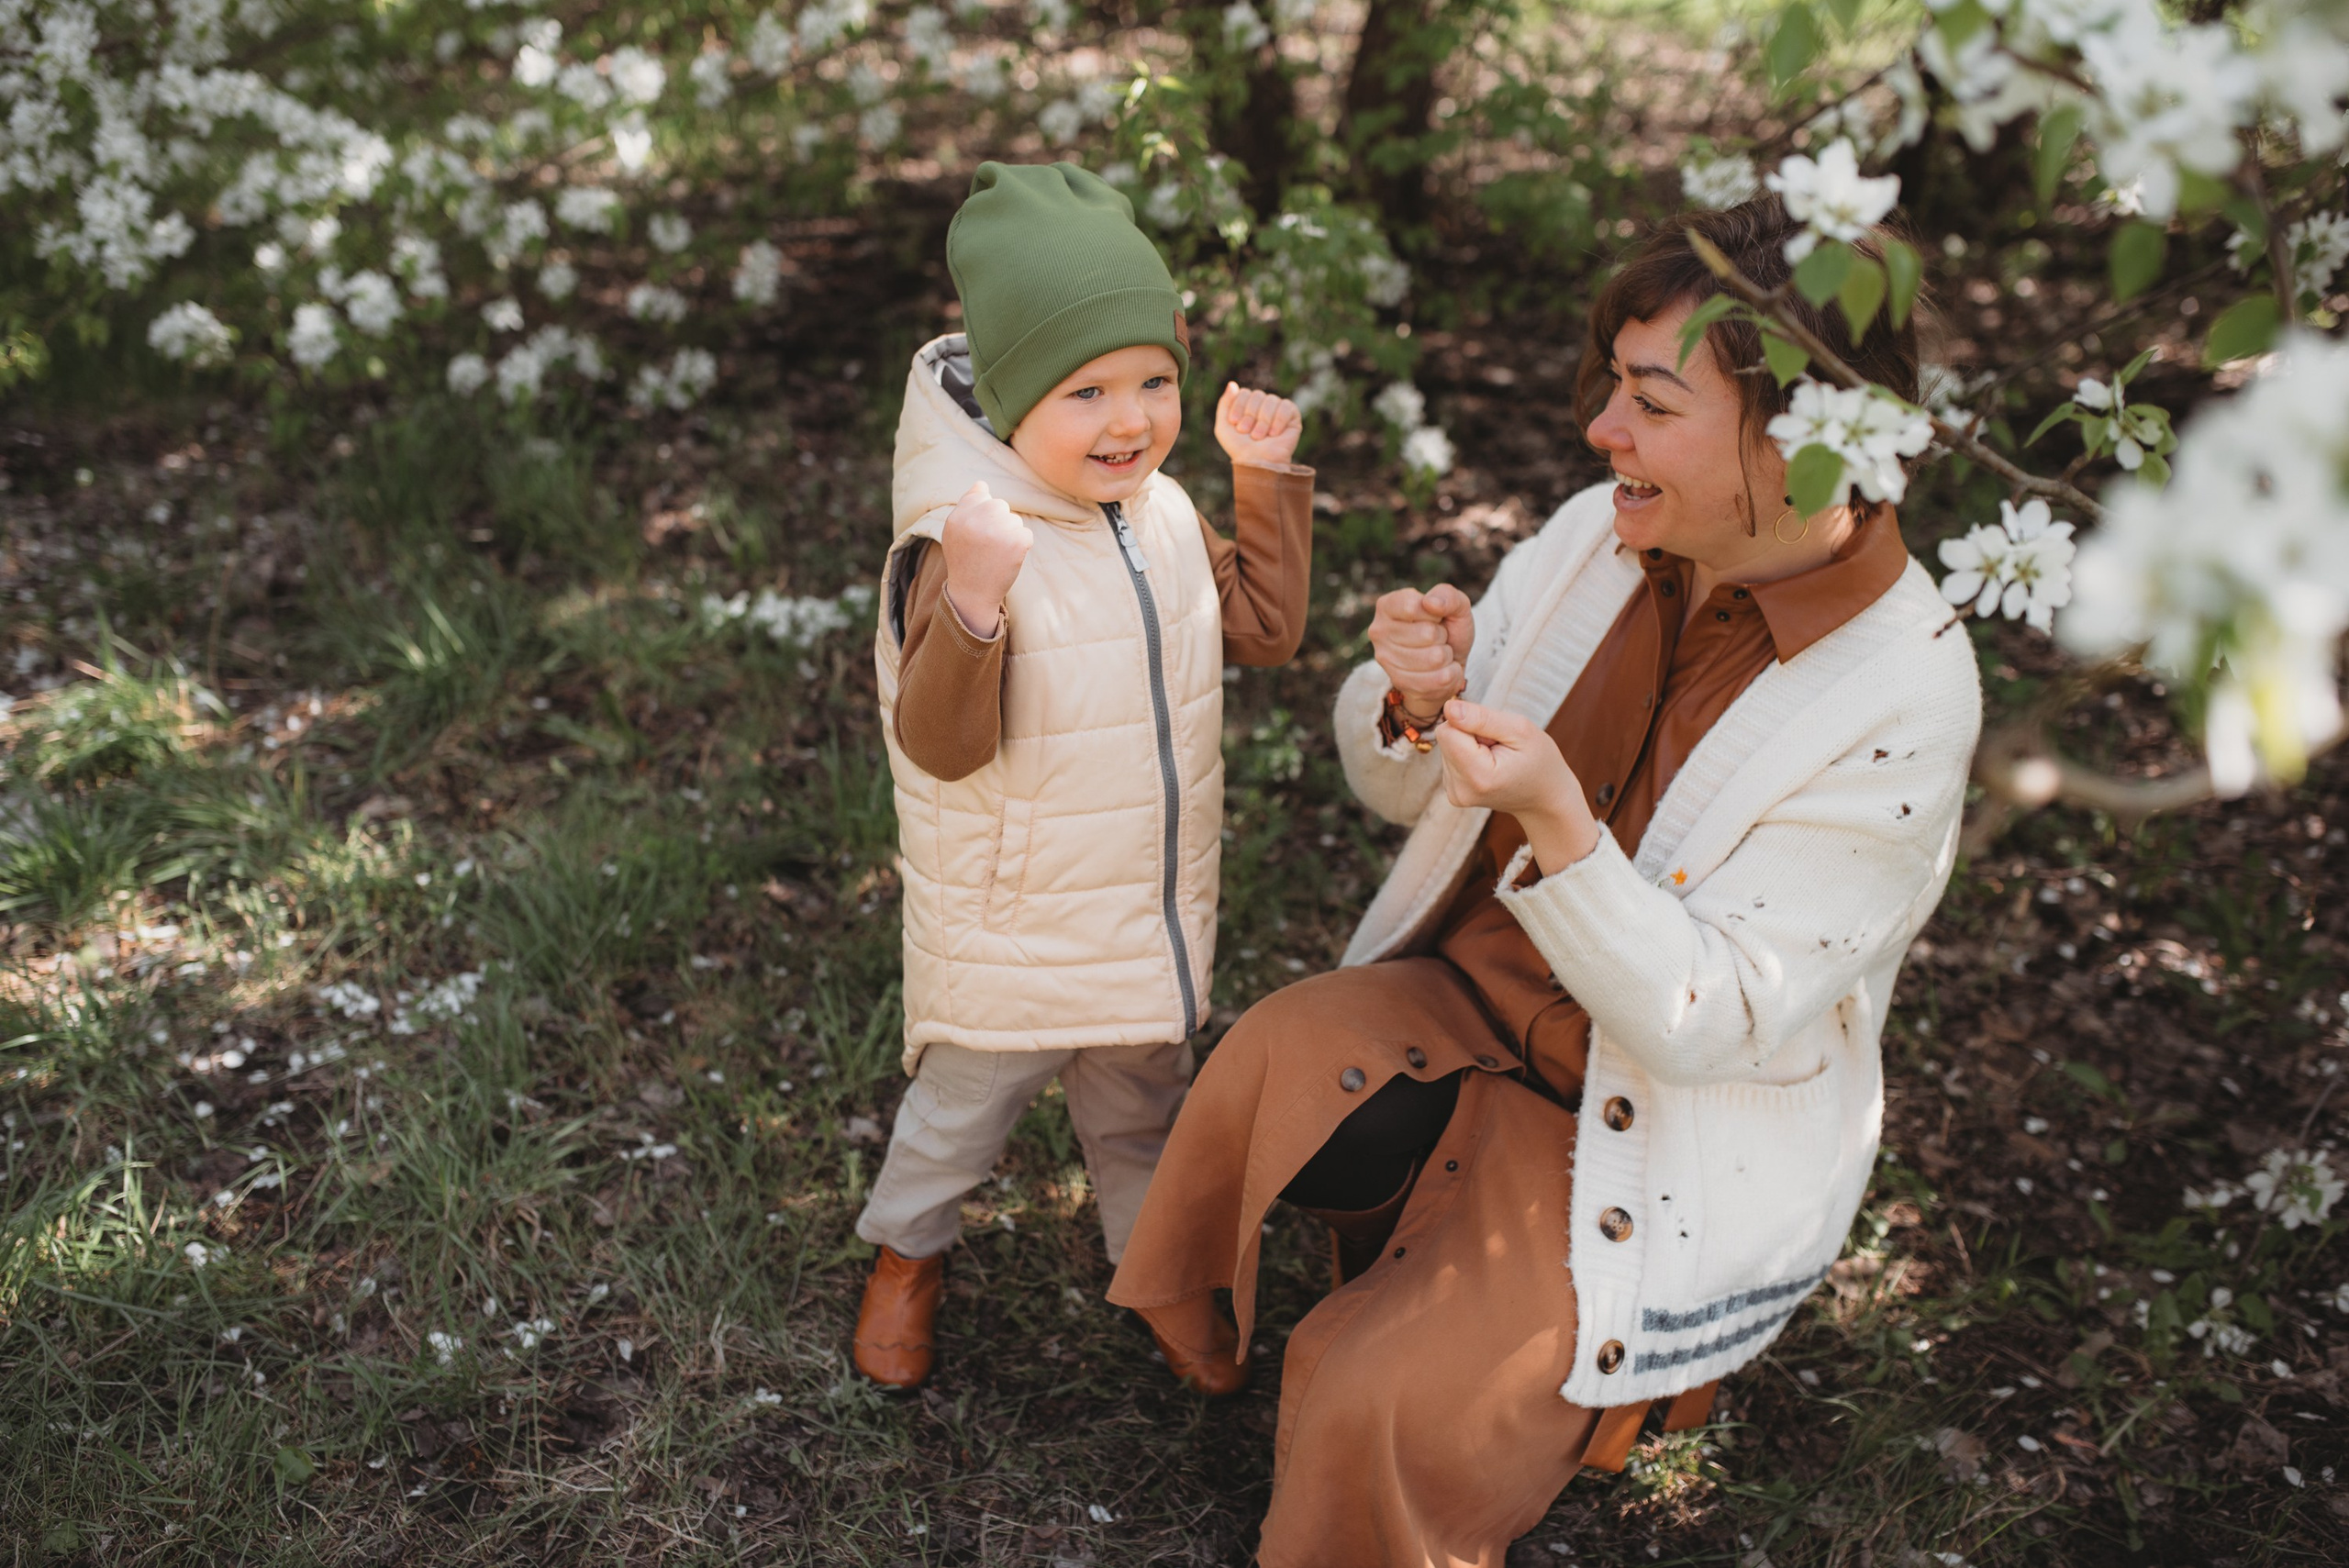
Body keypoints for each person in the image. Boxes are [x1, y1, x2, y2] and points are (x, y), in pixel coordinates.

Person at [1107, 195, 1984, 1566]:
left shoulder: (1905, 682)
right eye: (1611, 387)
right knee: (1270, 1061)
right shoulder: (1598, 532)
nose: (1603, 433)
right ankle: (1391, 1270)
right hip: (1466, 1002)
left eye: (1650, 401)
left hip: (1648, 1118)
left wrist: (1567, 833)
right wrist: (1412, 700)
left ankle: (1607, 1365)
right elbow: (1406, 776)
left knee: (1375, 1407)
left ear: (1803, 439)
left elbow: (1713, 1015)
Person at [852, 161, 1314, 1394]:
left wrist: (1257, 484)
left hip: (1142, 910)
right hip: (1015, 921)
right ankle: (908, 1256)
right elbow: (941, 742)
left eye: (1153, 380)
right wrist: (979, 600)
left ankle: (1157, 1269)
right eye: (1086, 389)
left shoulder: (1158, 512)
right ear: (1006, 404)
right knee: (960, 1117)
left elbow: (1263, 626)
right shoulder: (957, 540)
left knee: (1145, 1115)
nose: (1131, 418)